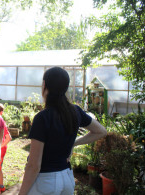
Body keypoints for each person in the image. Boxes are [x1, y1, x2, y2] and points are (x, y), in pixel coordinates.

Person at [19, 67, 107, 195]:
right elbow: (101, 131)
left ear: (44, 85)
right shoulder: (75, 111)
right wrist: (74, 143)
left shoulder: (42, 117)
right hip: (67, 179)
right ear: (66, 87)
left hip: (45, 182)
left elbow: (34, 165)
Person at [0, 103, 12, 193]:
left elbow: (9, 137)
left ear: (1, 112)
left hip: (0, 149)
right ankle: (1, 186)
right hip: (0, 148)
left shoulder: (1, 122)